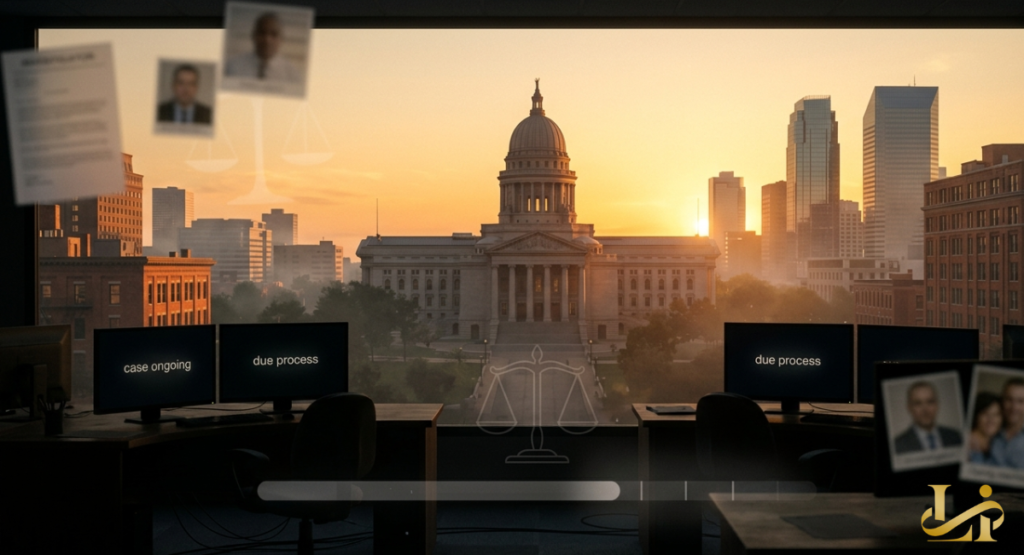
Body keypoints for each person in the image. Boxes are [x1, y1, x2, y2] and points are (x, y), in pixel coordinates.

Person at [224, 12, 302, 81]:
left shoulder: (292, 74)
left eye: (274, 34)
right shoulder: (232, 67)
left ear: (282, 39)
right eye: (262, 32)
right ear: (253, 35)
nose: (267, 40)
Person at [894, 381, 963, 454]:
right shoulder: (898, 445)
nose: (925, 409)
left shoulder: (955, 437)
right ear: (909, 408)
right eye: (918, 403)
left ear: (937, 405)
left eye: (930, 402)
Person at [989, 378, 1024, 469]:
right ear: (1002, 401)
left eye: (1020, 401)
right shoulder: (987, 429)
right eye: (1009, 399)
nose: (1014, 407)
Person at [968, 393, 1003, 464]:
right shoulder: (967, 443)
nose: (991, 420)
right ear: (976, 416)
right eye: (985, 413)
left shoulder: (999, 443)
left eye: (996, 414)